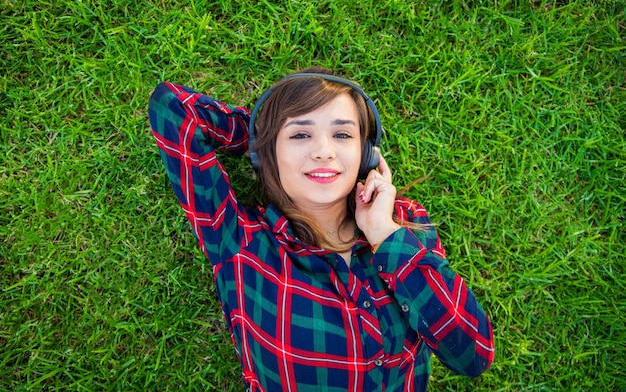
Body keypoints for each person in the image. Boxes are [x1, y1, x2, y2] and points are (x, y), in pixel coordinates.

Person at [148, 67, 494, 391]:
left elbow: (472, 355)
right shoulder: (240, 239)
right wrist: (259, 138)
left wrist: (384, 235)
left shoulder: (405, 225)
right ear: (268, 153)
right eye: (300, 134)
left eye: (342, 134)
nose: (323, 151)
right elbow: (173, 109)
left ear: (367, 154)